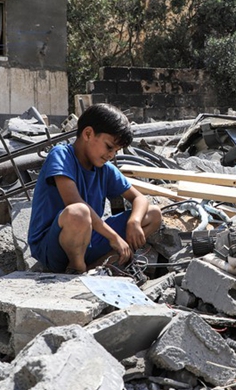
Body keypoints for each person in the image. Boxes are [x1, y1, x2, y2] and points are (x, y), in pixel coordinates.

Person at [28, 103, 161, 274]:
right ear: (88, 134)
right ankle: (76, 267)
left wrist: (134, 222)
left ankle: (97, 268)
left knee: (153, 214)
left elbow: (139, 198)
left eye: (116, 151)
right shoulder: (61, 155)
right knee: (79, 212)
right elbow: (73, 202)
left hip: (89, 241)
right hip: (53, 247)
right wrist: (114, 237)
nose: (112, 155)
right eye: (109, 147)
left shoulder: (105, 169)